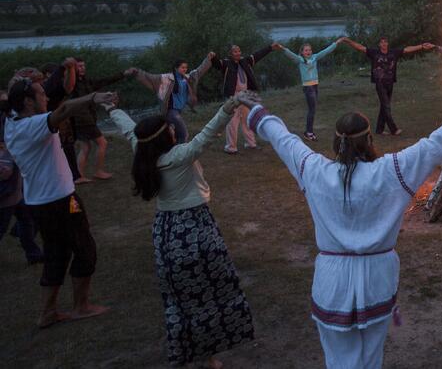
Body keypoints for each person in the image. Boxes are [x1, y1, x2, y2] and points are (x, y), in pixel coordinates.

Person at [242, 90, 442, 369]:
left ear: (336, 143)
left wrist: (258, 112)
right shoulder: (391, 171)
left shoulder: (314, 171)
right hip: (377, 280)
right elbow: (433, 146)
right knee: (370, 359)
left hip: (333, 284)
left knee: (340, 361)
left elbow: (285, 141)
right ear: (369, 140)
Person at [108, 92, 255, 368]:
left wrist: (111, 108)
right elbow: (208, 133)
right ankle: (209, 353)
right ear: (165, 138)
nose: (175, 128)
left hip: (166, 232)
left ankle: (189, 350)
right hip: (195, 229)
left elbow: (128, 129)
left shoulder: (142, 151)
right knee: (210, 293)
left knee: (180, 298)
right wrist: (231, 104)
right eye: (171, 129)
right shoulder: (179, 156)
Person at [3, 78, 113, 328]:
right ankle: (81, 306)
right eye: (41, 94)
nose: (47, 98)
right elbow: (62, 111)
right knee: (85, 249)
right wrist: (92, 97)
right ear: (28, 102)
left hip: (40, 202)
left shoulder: (12, 120)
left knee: (56, 254)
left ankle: (47, 313)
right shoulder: (31, 125)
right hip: (59, 200)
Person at [340, 36, 432, 136]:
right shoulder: (374, 53)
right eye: (382, 42)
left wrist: (422, 46)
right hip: (380, 84)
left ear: (387, 44)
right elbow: (360, 47)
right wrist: (347, 40)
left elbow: (407, 49)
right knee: (386, 106)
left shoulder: (393, 52)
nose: (384, 44)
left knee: (384, 107)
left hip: (390, 83)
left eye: (385, 42)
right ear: (379, 45)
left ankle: (379, 130)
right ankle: (394, 129)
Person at [70, 58, 134, 182]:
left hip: (84, 119)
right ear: (73, 69)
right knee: (102, 143)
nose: (82, 68)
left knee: (86, 147)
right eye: (79, 66)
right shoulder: (73, 85)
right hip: (83, 119)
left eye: (83, 66)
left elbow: (104, 81)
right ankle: (98, 171)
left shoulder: (86, 81)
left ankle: (79, 176)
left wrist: (123, 74)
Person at [132, 53, 216, 144]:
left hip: (178, 111)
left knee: (174, 134)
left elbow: (199, 70)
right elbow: (151, 78)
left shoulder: (188, 78)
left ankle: (172, 152)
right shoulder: (167, 79)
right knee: (184, 134)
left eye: (186, 68)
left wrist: (208, 59)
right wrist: (137, 72)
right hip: (171, 112)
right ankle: (181, 153)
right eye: (182, 67)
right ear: (176, 68)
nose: (185, 69)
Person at [212, 43, 276, 153]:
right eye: (235, 52)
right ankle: (231, 147)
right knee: (233, 121)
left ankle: (250, 144)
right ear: (230, 54)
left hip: (246, 95)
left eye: (239, 51)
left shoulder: (245, 61)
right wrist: (213, 57)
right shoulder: (227, 64)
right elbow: (217, 64)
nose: (238, 53)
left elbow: (258, 55)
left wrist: (270, 48)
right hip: (234, 96)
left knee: (247, 119)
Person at [0, 108, 44, 265]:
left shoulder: (11, 121)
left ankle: (33, 254)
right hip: (6, 195)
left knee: (26, 221)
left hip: (16, 191)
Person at [279, 38, 343, 141]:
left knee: (312, 109)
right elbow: (291, 55)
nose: (308, 52)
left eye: (310, 50)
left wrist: (336, 43)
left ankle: (309, 131)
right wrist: (283, 48)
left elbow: (325, 51)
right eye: (306, 50)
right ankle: (308, 132)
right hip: (308, 87)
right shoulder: (300, 60)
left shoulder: (315, 57)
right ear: (302, 52)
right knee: (312, 110)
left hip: (315, 85)